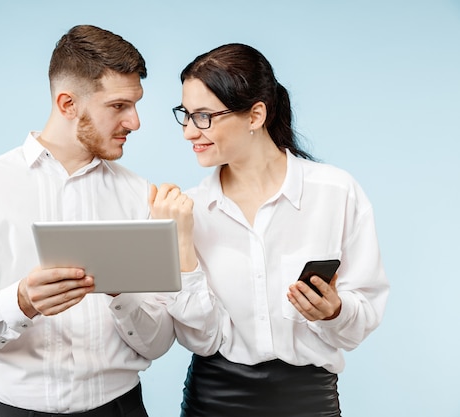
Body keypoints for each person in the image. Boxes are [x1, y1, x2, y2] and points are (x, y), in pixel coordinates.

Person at [0, 25, 176, 417]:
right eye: (118, 106)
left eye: (135, 105)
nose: (135, 122)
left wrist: (122, 295)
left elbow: (158, 343)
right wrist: (22, 301)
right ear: (67, 104)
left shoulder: (139, 194)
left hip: (120, 408)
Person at [151, 43, 390, 416]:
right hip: (213, 400)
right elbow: (203, 336)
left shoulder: (335, 192)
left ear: (255, 115)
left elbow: (360, 320)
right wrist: (180, 241)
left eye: (203, 116)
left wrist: (334, 311)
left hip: (309, 400)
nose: (187, 132)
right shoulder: (189, 210)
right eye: (185, 114)